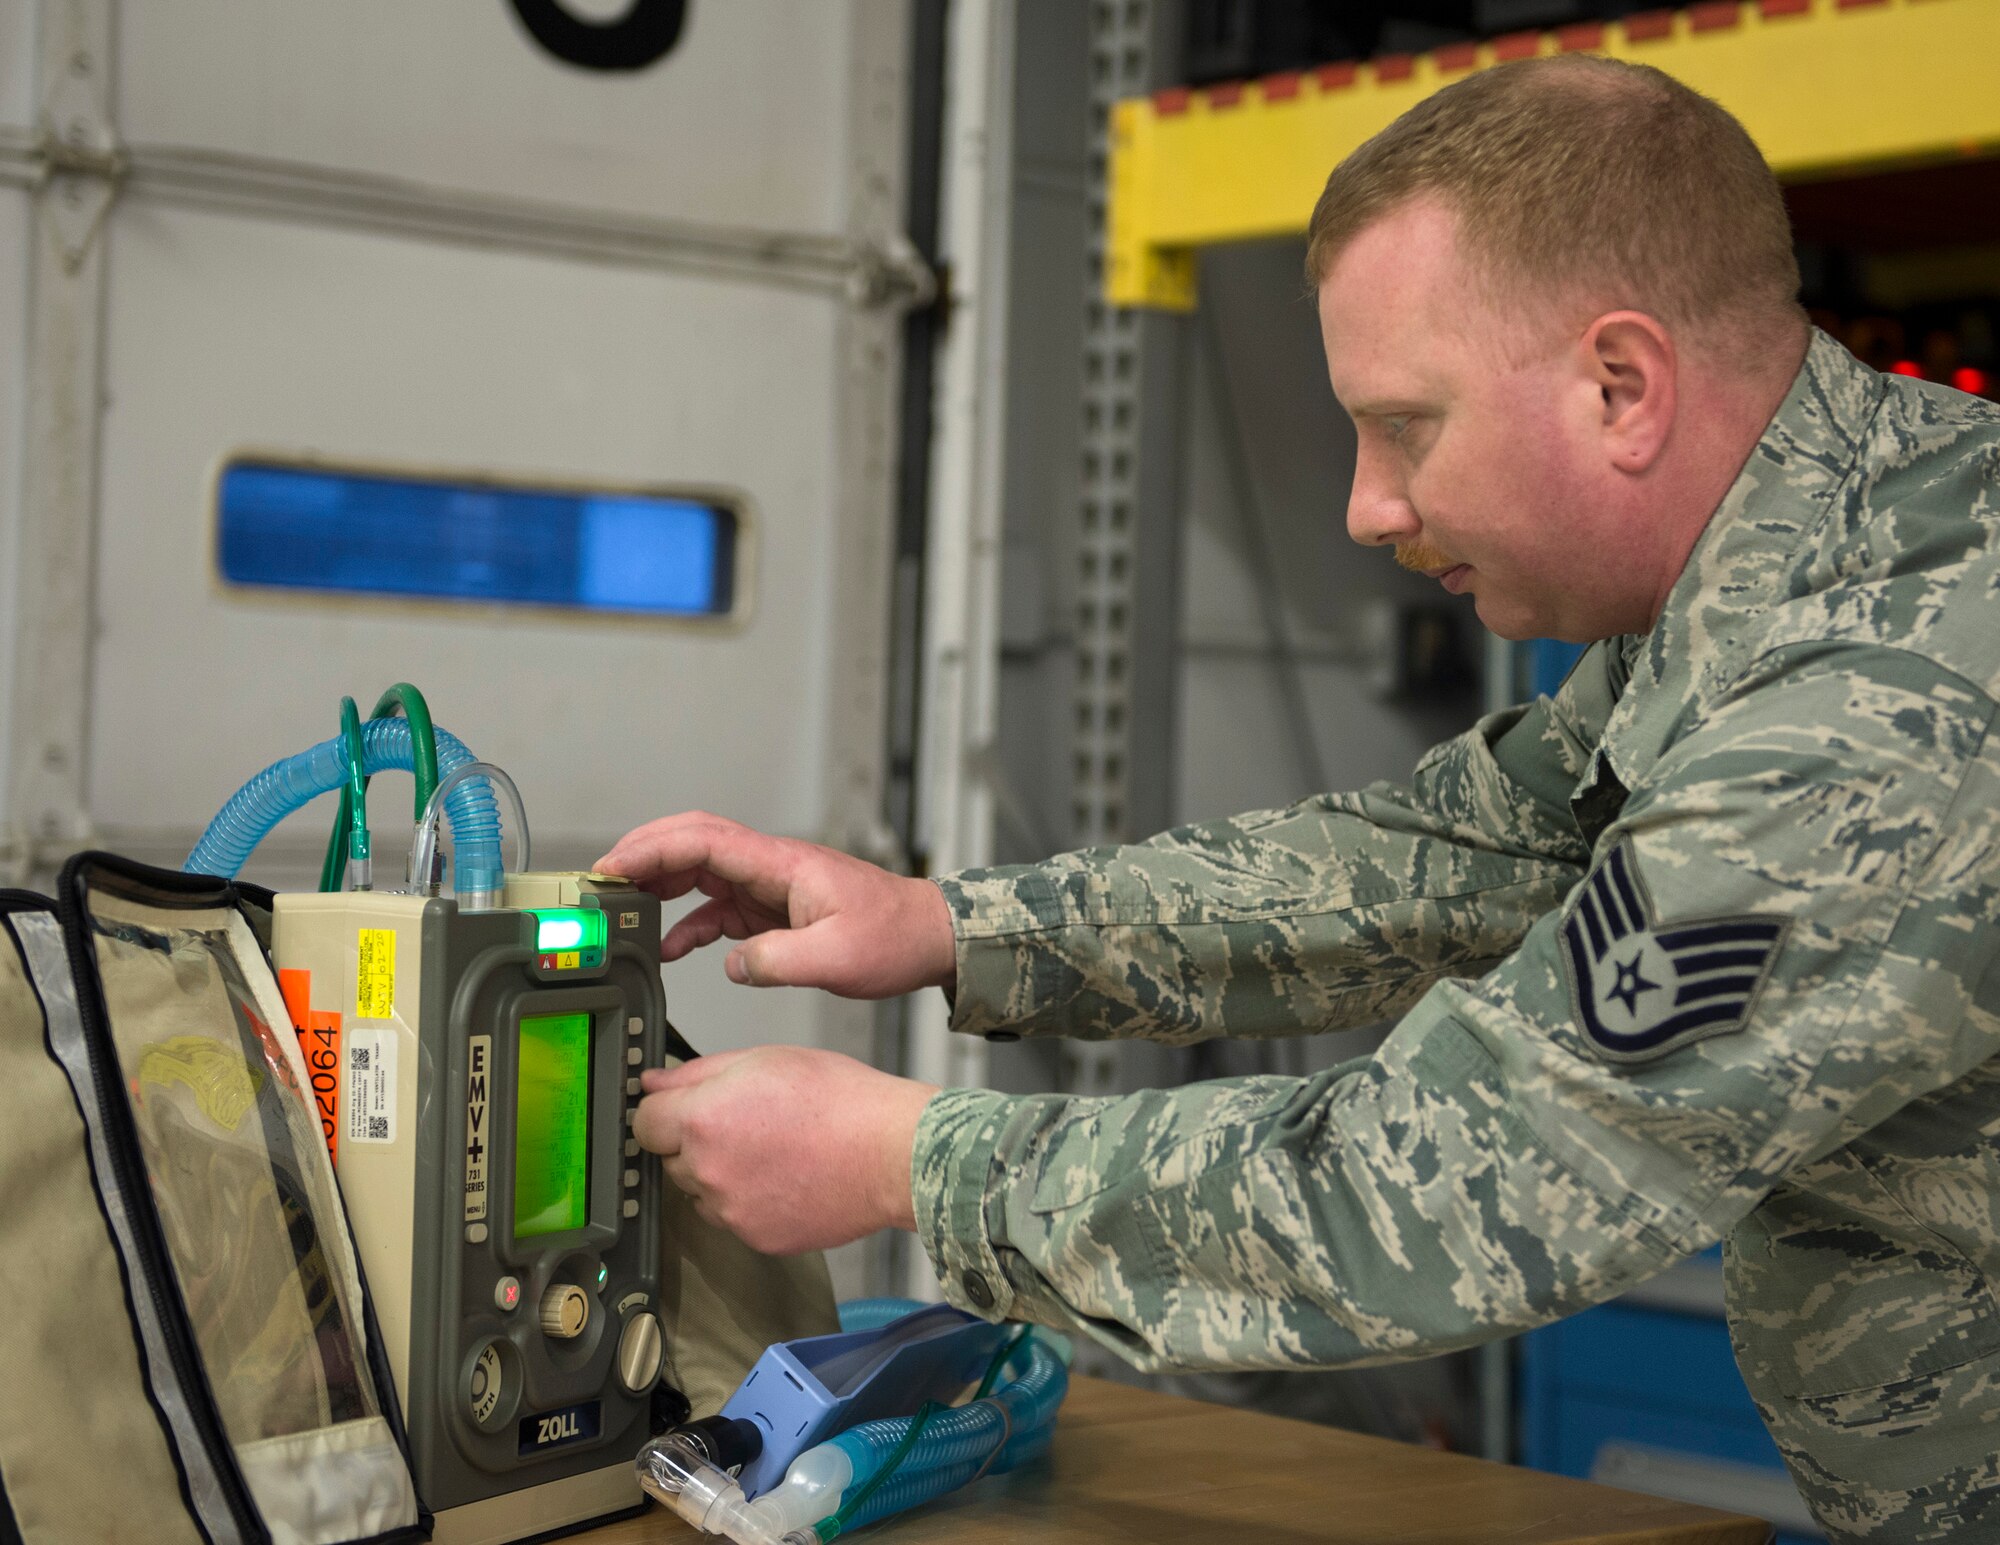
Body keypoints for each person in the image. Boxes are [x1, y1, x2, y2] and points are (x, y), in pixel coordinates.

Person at [601, 55, 2000, 1544]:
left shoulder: (1893, 691)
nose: (1366, 505)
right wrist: (954, 924)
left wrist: (905, 1159)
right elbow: (1438, 856)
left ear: (1622, 385)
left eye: (1406, 425)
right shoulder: (1797, 565)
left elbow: (1458, 1179)